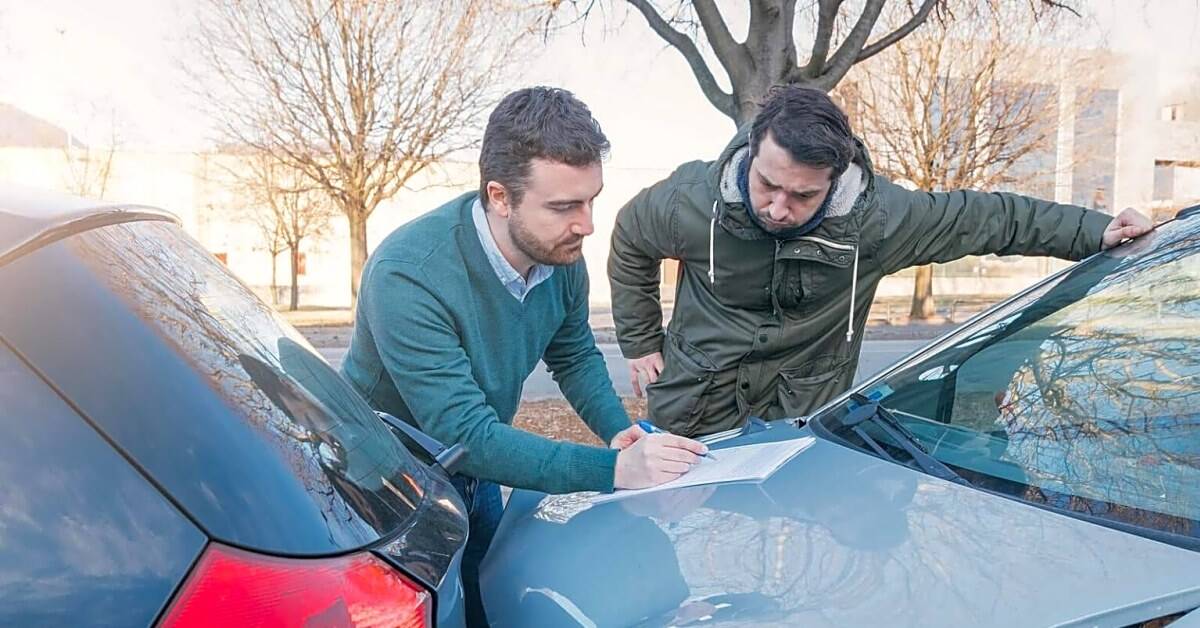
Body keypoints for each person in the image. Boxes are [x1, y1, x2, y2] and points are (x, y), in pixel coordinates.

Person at [340, 86, 708, 626]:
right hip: (387, 487)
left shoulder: (560, 256)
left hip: (474, 467)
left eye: (591, 200)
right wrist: (614, 470)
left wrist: (617, 432)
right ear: (500, 196)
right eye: (563, 206)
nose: (586, 224)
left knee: (490, 597)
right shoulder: (408, 273)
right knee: (435, 614)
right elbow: (463, 432)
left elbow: (574, 354)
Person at [608, 85, 1153, 438]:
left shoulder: (878, 220)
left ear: (833, 181)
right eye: (767, 184)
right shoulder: (688, 201)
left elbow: (988, 218)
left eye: (802, 196)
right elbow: (630, 240)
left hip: (798, 421)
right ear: (753, 148)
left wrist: (1092, 231)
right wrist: (640, 341)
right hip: (693, 410)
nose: (777, 208)